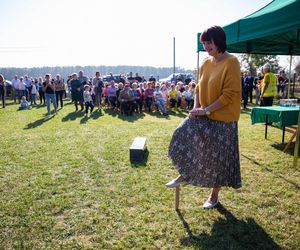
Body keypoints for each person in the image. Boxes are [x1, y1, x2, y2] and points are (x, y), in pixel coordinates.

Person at [165, 26, 242, 209]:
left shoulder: (232, 61)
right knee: (182, 133)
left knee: (218, 160)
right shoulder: (205, 63)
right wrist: (195, 108)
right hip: (204, 113)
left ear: (219, 41)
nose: (206, 46)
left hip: (224, 119)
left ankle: (214, 196)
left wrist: (206, 110)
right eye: (204, 43)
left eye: (209, 42)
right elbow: (198, 88)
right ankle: (185, 174)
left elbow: (229, 95)